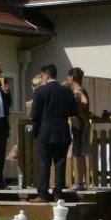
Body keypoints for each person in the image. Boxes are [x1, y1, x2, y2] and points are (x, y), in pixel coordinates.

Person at [29, 63, 78, 202]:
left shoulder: (39, 92)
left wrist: (36, 133)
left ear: (46, 75)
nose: (42, 77)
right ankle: (58, 194)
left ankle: (43, 193)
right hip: (62, 132)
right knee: (60, 163)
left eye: (43, 75)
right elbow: (73, 111)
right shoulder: (67, 91)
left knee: (44, 163)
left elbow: (35, 115)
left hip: (44, 133)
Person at [66, 67, 93, 191]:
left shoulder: (77, 90)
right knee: (79, 153)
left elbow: (84, 101)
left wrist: (77, 111)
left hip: (79, 124)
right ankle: (81, 182)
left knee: (78, 153)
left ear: (71, 77)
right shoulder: (83, 89)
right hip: (83, 123)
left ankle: (80, 183)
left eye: (68, 77)